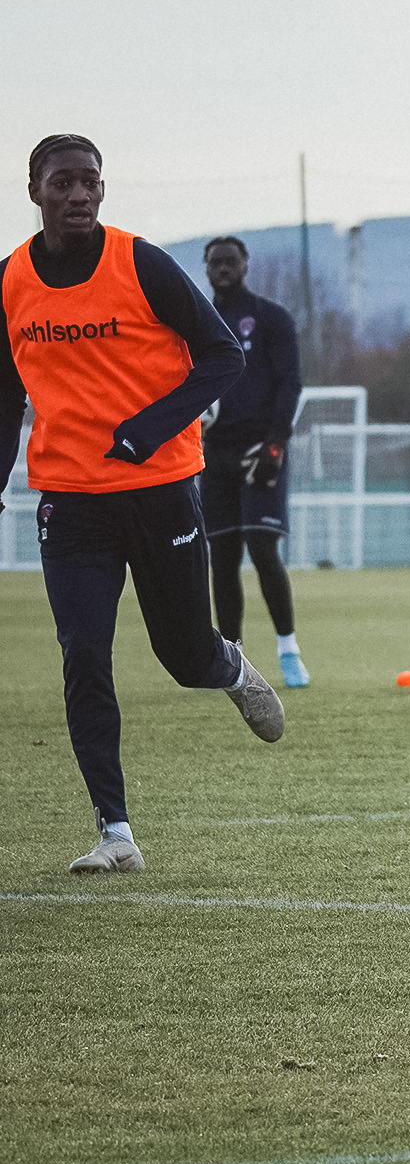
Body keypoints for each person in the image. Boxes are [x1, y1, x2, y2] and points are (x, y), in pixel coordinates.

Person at [0, 134, 285, 875]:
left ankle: (228, 666)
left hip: (160, 493)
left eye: (90, 182)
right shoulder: (10, 283)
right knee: (83, 654)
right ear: (35, 190)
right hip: (69, 505)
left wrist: (146, 430)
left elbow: (225, 356)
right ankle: (115, 832)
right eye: (63, 183)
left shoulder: (142, 263)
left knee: (182, 658)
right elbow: (6, 400)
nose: (80, 195)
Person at [199, 235, 309, 687]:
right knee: (222, 556)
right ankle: (234, 662)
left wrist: (276, 445)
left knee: (262, 548)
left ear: (245, 264)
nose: (223, 268)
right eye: (215, 262)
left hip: (260, 450)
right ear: (206, 268)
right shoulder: (197, 321)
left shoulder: (269, 318)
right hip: (213, 453)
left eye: (230, 260)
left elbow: (290, 384)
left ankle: (288, 650)